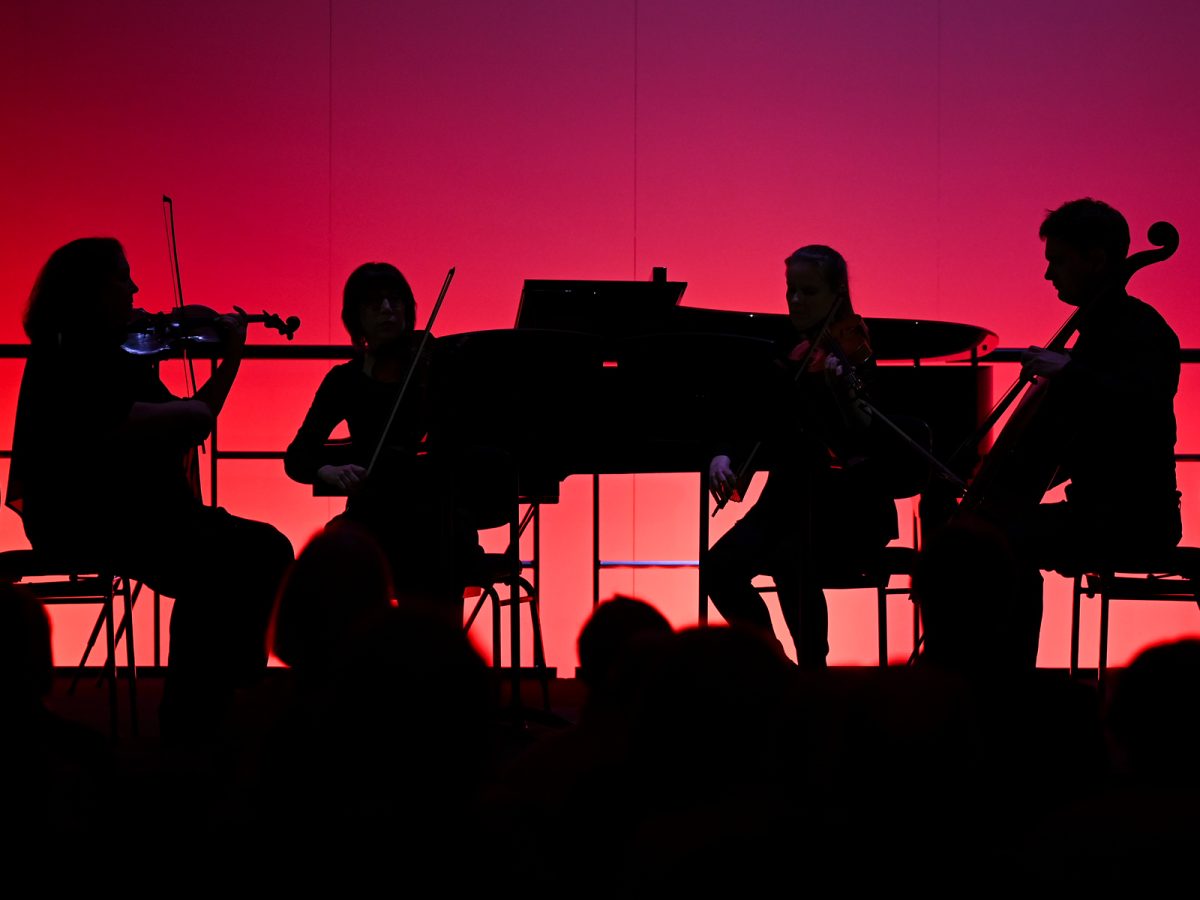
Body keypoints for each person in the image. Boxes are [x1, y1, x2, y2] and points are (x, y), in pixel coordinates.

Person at [6, 237, 295, 738]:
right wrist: (230, 359)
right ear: (90, 290)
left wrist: (222, 368)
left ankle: (209, 701)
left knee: (255, 550)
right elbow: (184, 418)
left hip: (129, 515)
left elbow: (190, 423)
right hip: (90, 520)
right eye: (123, 277)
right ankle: (197, 714)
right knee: (234, 559)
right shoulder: (72, 357)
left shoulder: (106, 357)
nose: (136, 288)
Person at [983, 198, 1182, 667]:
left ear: (1096, 259)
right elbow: (1077, 438)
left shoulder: (1143, 330)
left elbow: (1138, 407)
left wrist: (1069, 371)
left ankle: (1007, 683)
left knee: (1000, 538)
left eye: (1058, 261)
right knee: (993, 528)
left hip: (1135, 521)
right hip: (1098, 513)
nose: (1049, 275)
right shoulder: (1096, 331)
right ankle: (998, 680)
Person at [702, 244, 903, 668]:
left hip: (847, 506)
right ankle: (772, 664)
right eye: (791, 290)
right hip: (785, 501)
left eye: (808, 292)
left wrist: (845, 396)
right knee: (719, 567)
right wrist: (724, 456)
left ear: (837, 294)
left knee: (791, 558)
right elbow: (753, 417)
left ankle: (814, 671)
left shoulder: (854, 351)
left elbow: (868, 438)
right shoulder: (784, 351)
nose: (795, 301)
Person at [284, 262, 485, 610]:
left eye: (396, 301)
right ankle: (355, 656)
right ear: (356, 317)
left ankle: (433, 653)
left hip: (435, 515)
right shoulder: (343, 381)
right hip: (372, 516)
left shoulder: (435, 365)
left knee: (438, 548)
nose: (388, 310)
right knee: (335, 555)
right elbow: (297, 456)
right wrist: (326, 471)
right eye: (375, 303)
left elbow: (467, 436)